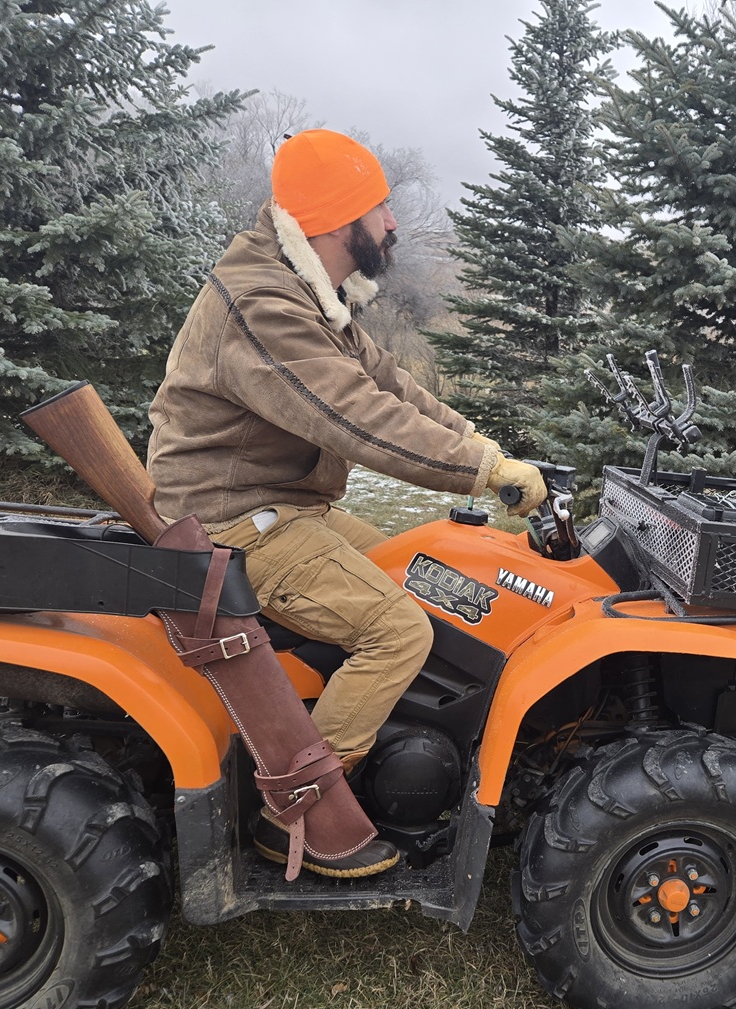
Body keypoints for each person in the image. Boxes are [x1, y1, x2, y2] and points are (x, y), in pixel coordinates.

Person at [146, 129, 545, 877]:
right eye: (379, 209)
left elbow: (388, 382)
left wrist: (482, 447)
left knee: (419, 568)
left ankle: (384, 734)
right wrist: (480, 470)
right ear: (336, 221)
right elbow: (354, 415)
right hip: (231, 521)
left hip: (283, 505)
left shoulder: (308, 292)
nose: (392, 224)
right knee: (398, 630)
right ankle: (293, 812)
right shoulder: (264, 303)